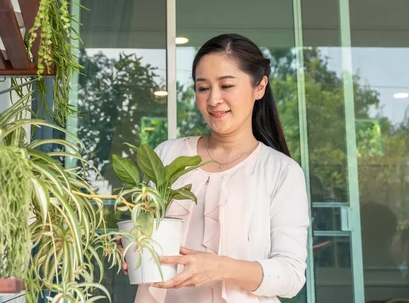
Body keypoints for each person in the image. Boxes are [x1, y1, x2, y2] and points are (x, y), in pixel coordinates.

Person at [128, 34, 310, 302]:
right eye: (203, 88)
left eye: (226, 86)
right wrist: (130, 245)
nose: (213, 100)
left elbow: (292, 275)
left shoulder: (281, 171)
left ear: (259, 87)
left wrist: (219, 267)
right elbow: (143, 229)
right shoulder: (168, 154)